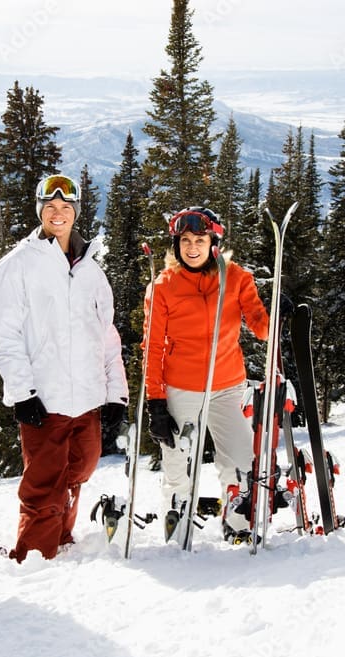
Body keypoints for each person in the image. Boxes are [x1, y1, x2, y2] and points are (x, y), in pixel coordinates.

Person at [0, 174, 128, 563]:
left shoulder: (90, 271)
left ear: (76, 212)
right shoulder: (17, 265)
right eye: (51, 207)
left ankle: (61, 541)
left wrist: (116, 393)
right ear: (40, 211)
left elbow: (107, 336)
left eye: (66, 207)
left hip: (87, 399)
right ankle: (34, 557)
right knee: (44, 483)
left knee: (80, 469)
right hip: (44, 400)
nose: (58, 213)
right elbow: (3, 335)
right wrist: (22, 392)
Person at [143, 206, 270, 543]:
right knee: (176, 462)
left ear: (213, 242)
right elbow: (152, 347)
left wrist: (276, 318)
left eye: (200, 239)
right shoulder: (163, 286)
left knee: (241, 458)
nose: (192, 247)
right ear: (176, 245)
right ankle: (177, 531)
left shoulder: (236, 277)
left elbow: (260, 326)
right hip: (181, 388)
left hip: (227, 385)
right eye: (185, 240)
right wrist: (156, 402)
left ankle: (239, 523)